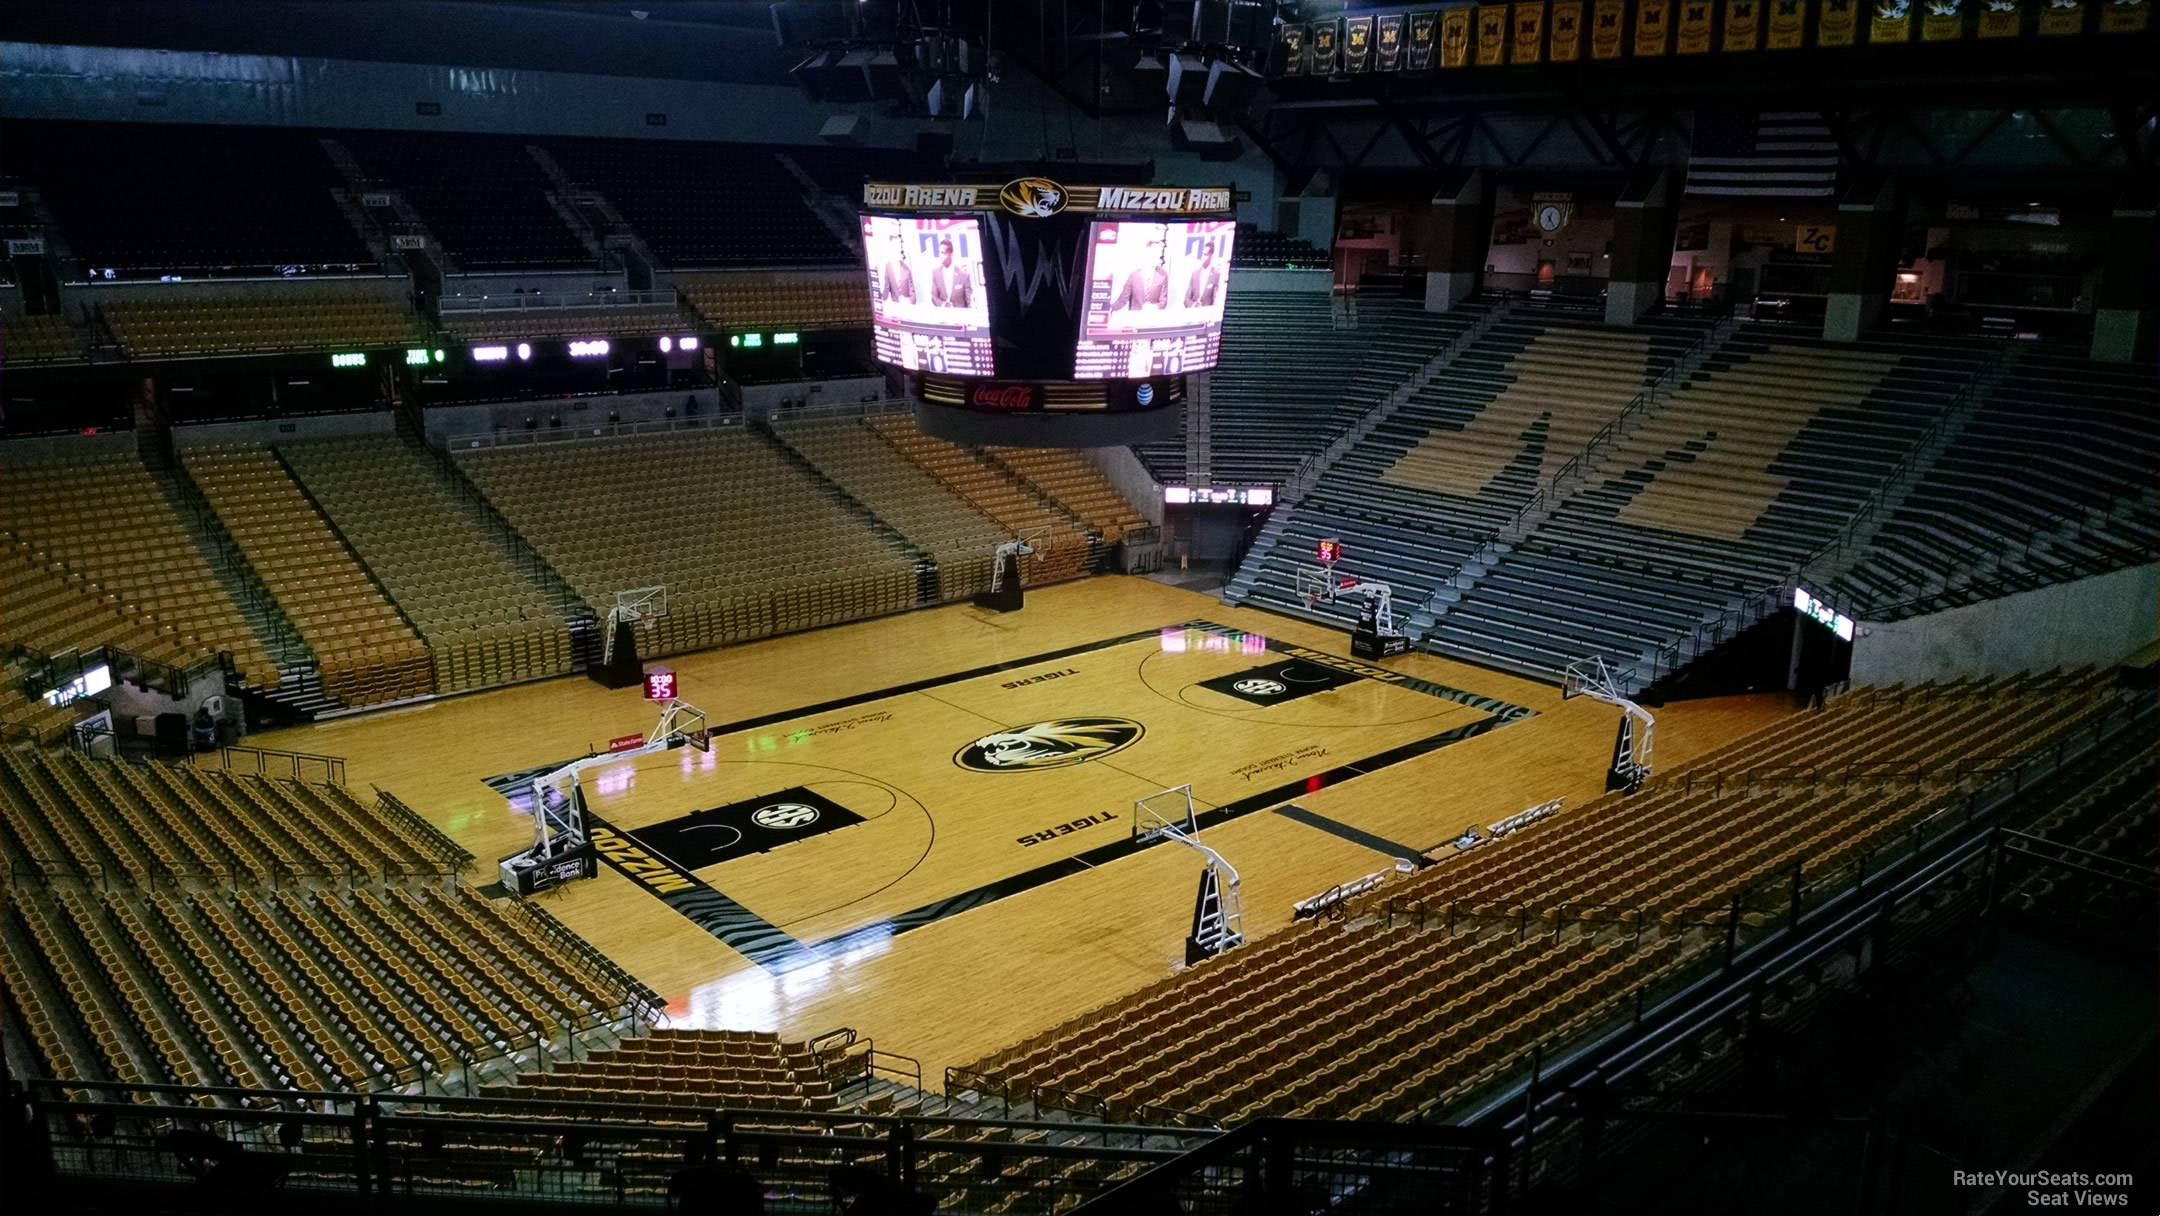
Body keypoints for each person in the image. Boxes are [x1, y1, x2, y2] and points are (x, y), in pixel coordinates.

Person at [1110, 230, 1171, 314]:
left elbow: (1163, 302)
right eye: (1153, 254)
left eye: (1158, 254)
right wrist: (1110, 309)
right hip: (1135, 318)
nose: (1156, 257)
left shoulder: (1163, 275)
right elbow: (1123, 299)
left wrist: (1153, 308)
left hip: (1153, 318)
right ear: (1146, 254)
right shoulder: (1134, 275)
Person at [928, 237, 971, 308]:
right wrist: (944, 305)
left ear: (951, 254)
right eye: (939, 253)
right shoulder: (936, 273)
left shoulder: (964, 275)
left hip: (960, 317)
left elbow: (969, 301)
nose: (940, 256)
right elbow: (934, 297)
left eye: (943, 253)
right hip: (943, 317)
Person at [879, 234, 916, 306]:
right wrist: (880, 299)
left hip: (907, 308)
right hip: (895, 309)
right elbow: (886, 290)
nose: (899, 249)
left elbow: (913, 297)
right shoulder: (888, 266)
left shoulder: (906, 269)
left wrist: (907, 301)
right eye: (895, 247)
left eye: (899, 247)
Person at [1184, 242, 1221, 308]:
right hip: (1192, 315)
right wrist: (1195, 305)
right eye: (1202, 254)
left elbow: (1215, 302)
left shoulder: (1216, 275)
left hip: (1207, 316)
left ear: (1211, 256)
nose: (1202, 257)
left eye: (1205, 254)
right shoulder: (1195, 274)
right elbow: (1186, 300)